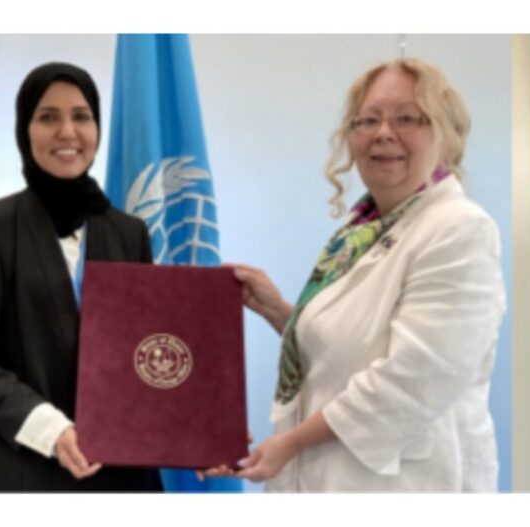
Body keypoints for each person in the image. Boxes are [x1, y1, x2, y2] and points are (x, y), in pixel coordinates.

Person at [213, 58, 505, 491]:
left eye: (407, 117)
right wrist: (281, 313)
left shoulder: (460, 229)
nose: (384, 132)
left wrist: (291, 442)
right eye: (368, 120)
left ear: (444, 136)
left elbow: (411, 379)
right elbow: (349, 351)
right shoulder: (361, 231)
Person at [0, 62, 163, 491]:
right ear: (26, 129)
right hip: (25, 470)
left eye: (81, 116)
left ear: (97, 128)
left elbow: (145, 350)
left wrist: (198, 430)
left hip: (123, 476)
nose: (67, 132)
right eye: (48, 117)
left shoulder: (129, 232)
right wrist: (52, 430)